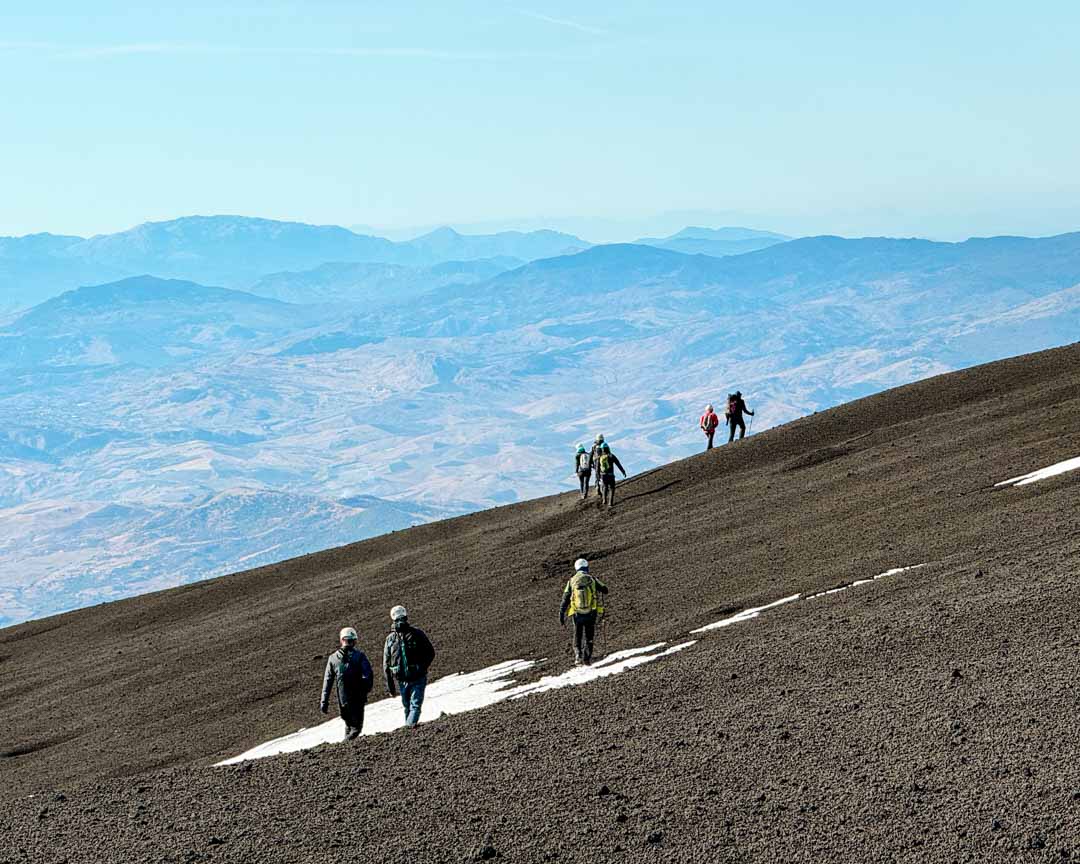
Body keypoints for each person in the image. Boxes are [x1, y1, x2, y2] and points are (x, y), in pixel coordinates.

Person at [383, 605, 435, 728]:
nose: (400, 622)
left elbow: (430, 653)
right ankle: (409, 731)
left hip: (418, 678)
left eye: (402, 619)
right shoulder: (390, 639)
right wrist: (391, 687)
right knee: (408, 707)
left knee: (415, 706)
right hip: (403, 680)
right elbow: (386, 664)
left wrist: (421, 668)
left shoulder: (416, 634)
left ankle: (408, 728)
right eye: (398, 619)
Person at [320, 626, 374, 741]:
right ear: (354, 641)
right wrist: (364, 690)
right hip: (357, 699)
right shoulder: (359, 656)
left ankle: (347, 749)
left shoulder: (333, 658)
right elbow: (368, 675)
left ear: (341, 640)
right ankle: (344, 746)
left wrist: (324, 701)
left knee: (349, 725)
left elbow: (327, 681)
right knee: (356, 728)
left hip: (343, 701)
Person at [560, 558, 609, 666]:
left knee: (577, 634)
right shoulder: (592, 579)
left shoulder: (571, 581)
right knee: (589, 635)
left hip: (577, 613)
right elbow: (605, 590)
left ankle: (578, 655)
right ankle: (587, 659)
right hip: (591, 612)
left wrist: (561, 615)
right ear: (586, 567)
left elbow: (565, 599)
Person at [597, 442, 626, 508]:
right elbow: (618, 464)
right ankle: (610, 503)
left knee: (604, 487)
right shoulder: (611, 456)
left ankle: (604, 499)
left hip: (603, 475)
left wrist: (598, 476)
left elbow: (597, 468)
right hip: (610, 475)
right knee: (612, 488)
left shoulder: (600, 457)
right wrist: (623, 471)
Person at [589, 434, 605, 498]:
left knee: (596, 474)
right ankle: (602, 486)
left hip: (596, 462)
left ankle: (597, 486)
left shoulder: (594, 446)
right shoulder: (604, 445)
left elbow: (591, 455)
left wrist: (590, 463)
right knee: (603, 474)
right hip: (603, 462)